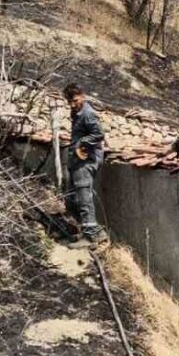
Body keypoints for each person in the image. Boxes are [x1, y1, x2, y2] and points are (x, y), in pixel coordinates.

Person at [62, 83, 108, 249]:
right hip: (78, 160)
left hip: (87, 159)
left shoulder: (88, 114)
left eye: (75, 100)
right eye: (70, 102)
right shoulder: (77, 112)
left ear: (83, 95)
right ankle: (94, 231)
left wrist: (82, 142)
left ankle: (91, 237)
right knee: (74, 196)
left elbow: (99, 134)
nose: (73, 104)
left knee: (83, 195)